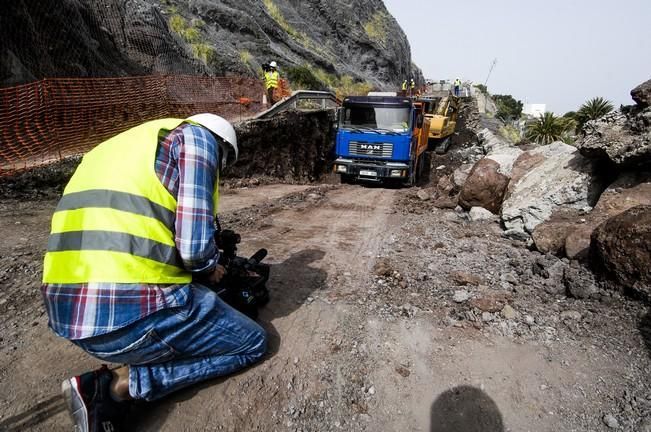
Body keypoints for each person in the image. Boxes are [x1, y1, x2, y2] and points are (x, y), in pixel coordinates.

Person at [41, 114, 268, 431]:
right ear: (222, 149)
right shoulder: (199, 140)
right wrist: (211, 269)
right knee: (252, 342)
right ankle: (117, 386)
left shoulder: (118, 148)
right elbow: (194, 250)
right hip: (126, 318)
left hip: (70, 318)